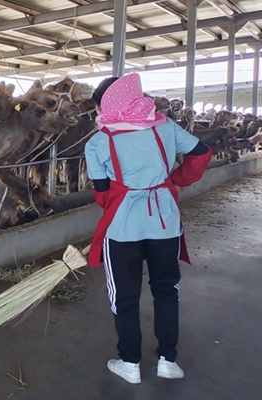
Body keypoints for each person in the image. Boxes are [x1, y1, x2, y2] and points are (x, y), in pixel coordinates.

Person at [84, 73, 212, 385]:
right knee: (166, 290)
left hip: (123, 228)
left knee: (124, 296)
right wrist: (176, 181)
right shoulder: (164, 126)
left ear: (105, 105)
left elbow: (102, 194)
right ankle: (168, 360)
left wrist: (125, 196)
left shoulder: (99, 141)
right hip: (164, 223)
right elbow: (200, 154)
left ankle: (130, 363)